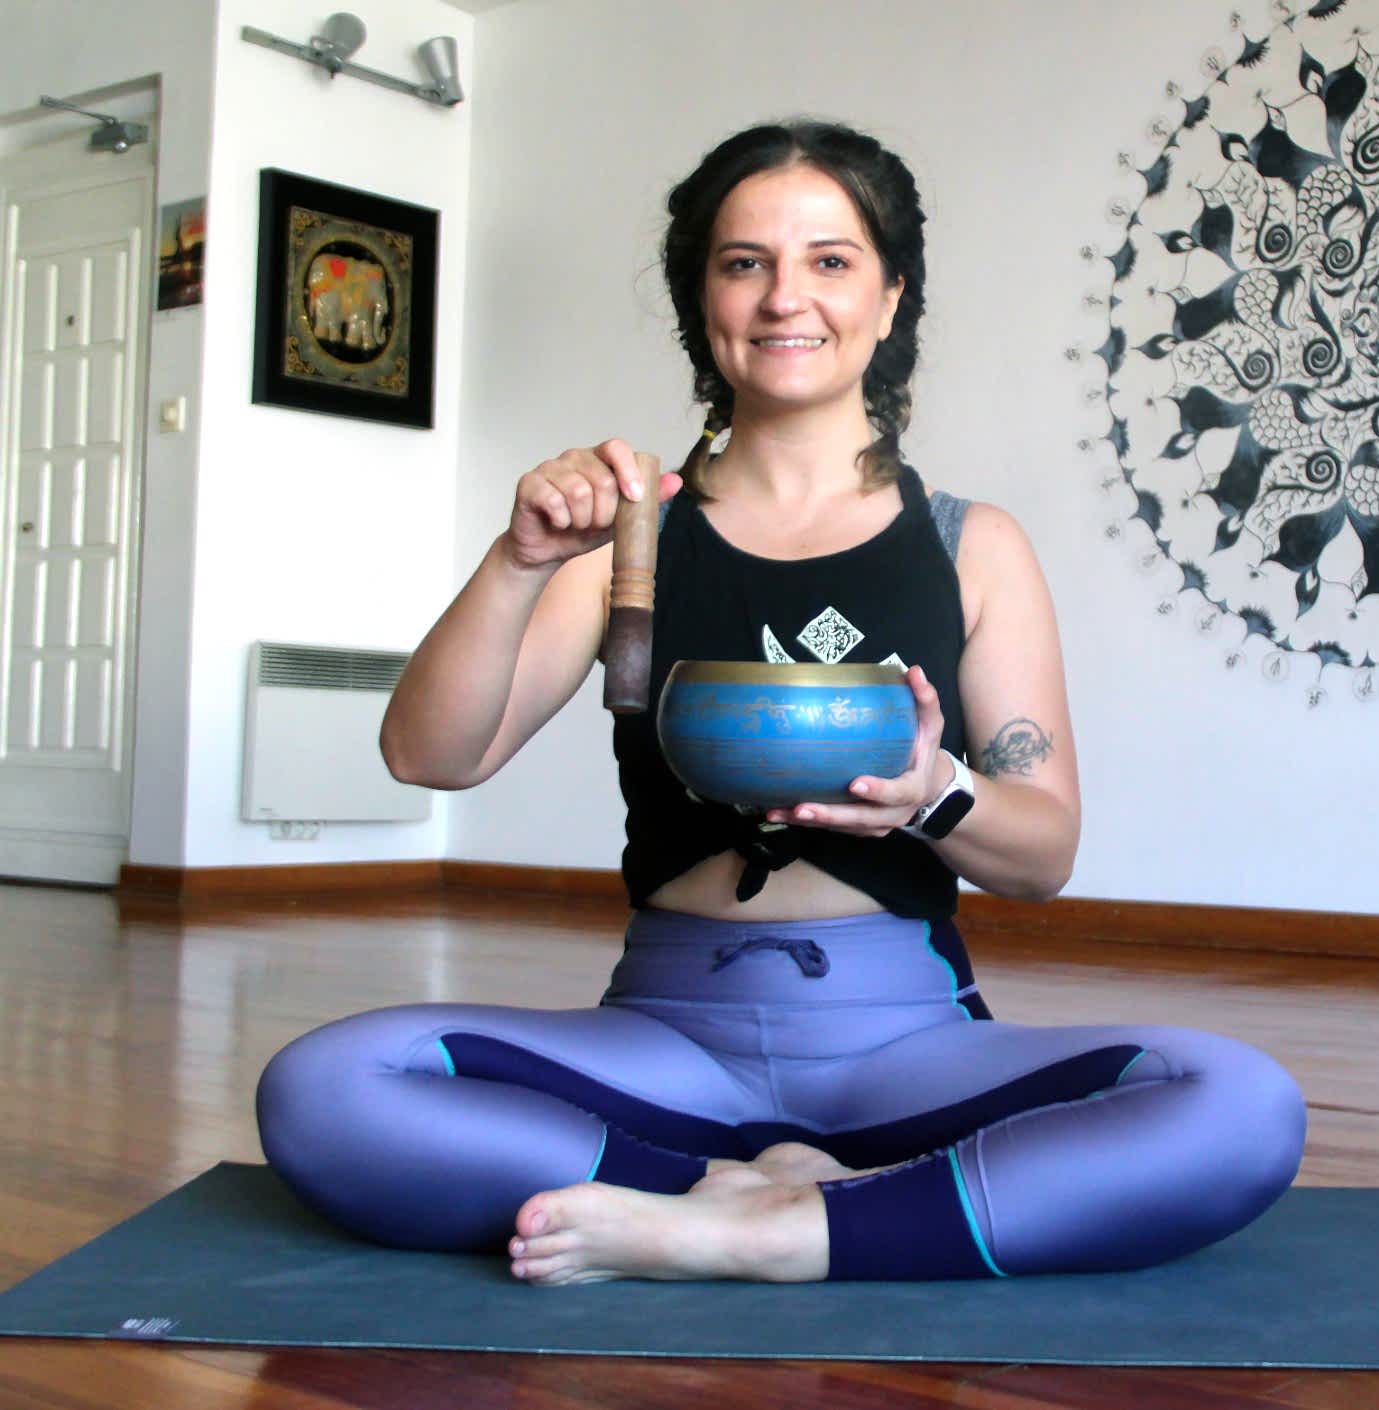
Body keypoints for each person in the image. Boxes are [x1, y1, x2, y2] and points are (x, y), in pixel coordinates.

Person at [256, 120, 1306, 1286]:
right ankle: (755, 1194)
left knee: (1237, 1103)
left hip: (904, 1050)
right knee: (325, 1088)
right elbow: (428, 756)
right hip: (663, 1044)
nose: (783, 298)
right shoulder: (630, 539)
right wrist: (519, 560)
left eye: (830, 260)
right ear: (700, 299)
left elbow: (1043, 855)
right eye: (744, 262)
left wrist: (934, 792)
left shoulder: (970, 545)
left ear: (890, 298)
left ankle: (763, 1229)